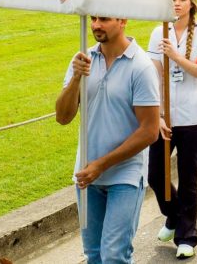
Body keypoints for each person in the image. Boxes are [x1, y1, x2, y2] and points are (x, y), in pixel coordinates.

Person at [55, 16, 161, 264]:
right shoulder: (82, 60)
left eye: (104, 19)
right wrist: (76, 79)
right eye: (93, 19)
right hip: (86, 175)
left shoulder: (141, 66)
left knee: (114, 255)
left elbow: (150, 131)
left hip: (125, 176)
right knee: (93, 255)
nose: (95, 25)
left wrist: (101, 165)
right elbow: (62, 116)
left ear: (122, 20)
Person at [146, 0, 197, 259]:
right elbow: (153, 76)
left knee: (188, 179)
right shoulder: (158, 32)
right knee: (155, 175)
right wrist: (159, 115)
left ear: (191, 4)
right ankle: (174, 216)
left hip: (193, 118)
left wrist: (175, 56)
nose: (176, 3)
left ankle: (187, 236)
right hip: (164, 118)